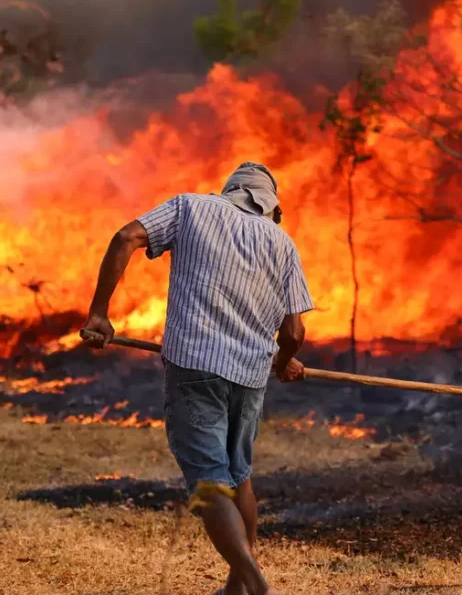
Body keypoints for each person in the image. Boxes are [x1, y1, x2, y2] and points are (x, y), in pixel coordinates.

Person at [81, 161, 313, 595]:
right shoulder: (282, 244)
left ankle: (254, 581)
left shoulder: (191, 208)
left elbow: (126, 236)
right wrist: (283, 361)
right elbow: (295, 333)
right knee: (239, 475)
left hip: (195, 366)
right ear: (271, 207)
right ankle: (236, 589)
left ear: (229, 191)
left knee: (209, 478)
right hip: (249, 376)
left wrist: (99, 313)